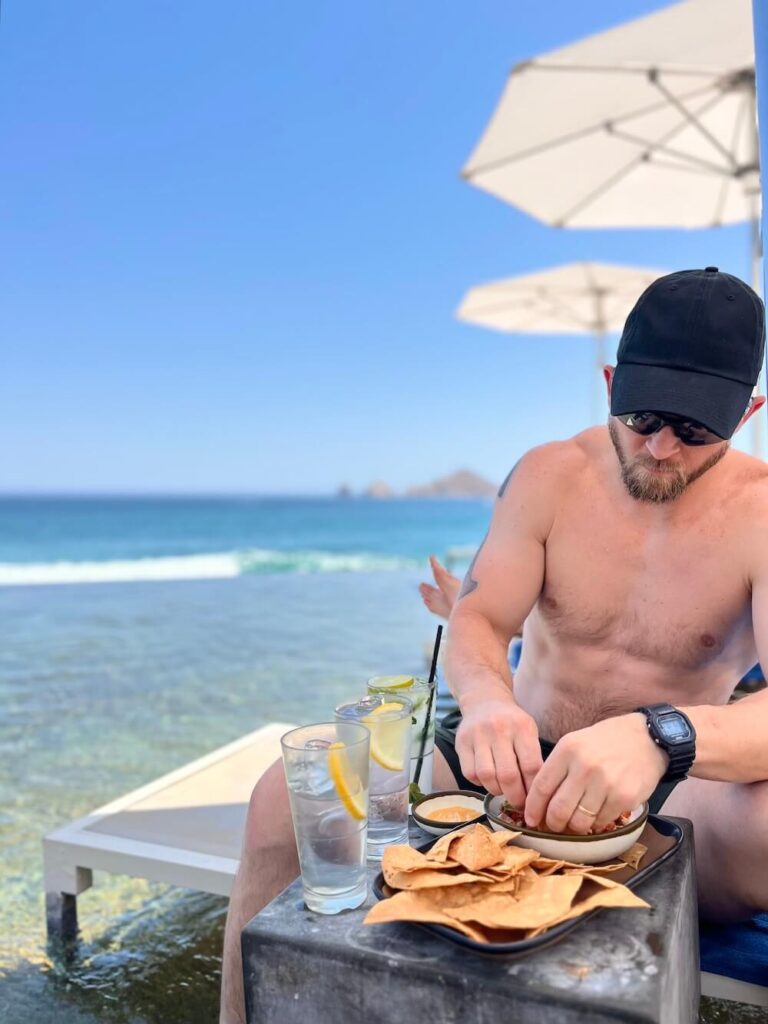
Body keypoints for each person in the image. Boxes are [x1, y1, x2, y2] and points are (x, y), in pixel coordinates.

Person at [220, 267, 768, 1023]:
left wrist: (660, 736)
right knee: (280, 800)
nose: (663, 447)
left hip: (669, 794)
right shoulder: (550, 476)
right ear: (610, 382)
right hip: (505, 766)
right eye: (641, 416)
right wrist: (484, 699)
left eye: (696, 429)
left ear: (748, 414)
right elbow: (478, 621)